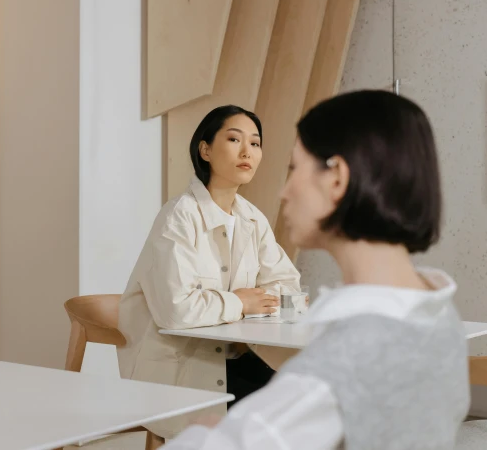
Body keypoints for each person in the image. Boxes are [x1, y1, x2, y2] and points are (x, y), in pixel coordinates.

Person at [163, 90, 471, 450]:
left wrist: (208, 437)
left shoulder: (339, 365)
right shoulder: (441, 315)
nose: (284, 191)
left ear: (336, 178)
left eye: (295, 168)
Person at [117, 105, 302, 440]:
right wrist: (240, 303)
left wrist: (251, 302)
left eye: (256, 144)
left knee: (307, 404)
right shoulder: (179, 217)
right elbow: (177, 310)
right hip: (181, 371)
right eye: (234, 139)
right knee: (275, 424)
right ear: (205, 149)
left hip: (231, 361)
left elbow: (285, 283)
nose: (247, 151)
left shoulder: (252, 218)